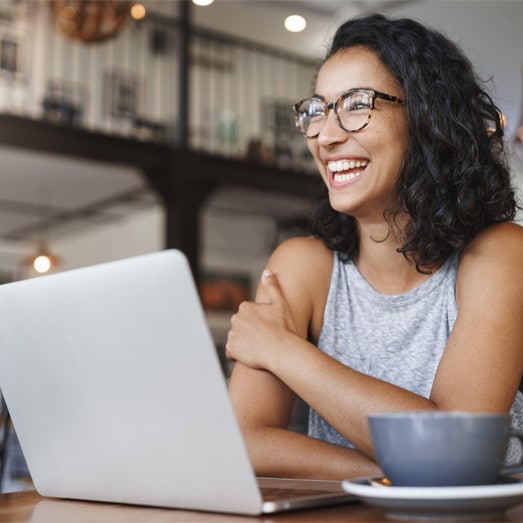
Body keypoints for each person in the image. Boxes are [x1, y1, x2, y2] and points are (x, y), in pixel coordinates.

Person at [225, 13, 523, 480]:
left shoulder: (502, 255)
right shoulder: (303, 266)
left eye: (357, 104)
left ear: (427, 118)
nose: (325, 135)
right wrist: (395, 473)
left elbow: (455, 445)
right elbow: (241, 441)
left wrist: (282, 350)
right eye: (318, 110)